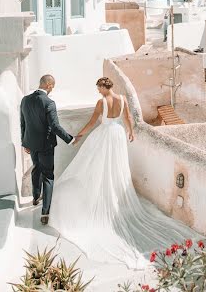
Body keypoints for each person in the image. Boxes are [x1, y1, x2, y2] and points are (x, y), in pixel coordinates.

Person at [49, 76, 194, 268]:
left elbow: (93, 122)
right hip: (118, 136)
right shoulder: (123, 99)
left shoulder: (102, 102)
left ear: (103, 86)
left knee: (98, 167)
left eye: (98, 87)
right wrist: (131, 132)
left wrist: (78, 136)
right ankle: (113, 195)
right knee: (115, 168)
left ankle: (101, 195)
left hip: (105, 135)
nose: (98, 91)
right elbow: (127, 118)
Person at [20, 75, 78, 225]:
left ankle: (35, 197)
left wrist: (24, 142)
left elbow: (23, 123)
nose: (53, 88)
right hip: (46, 145)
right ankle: (45, 212)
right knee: (48, 176)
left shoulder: (25, 100)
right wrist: (70, 139)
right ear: (48, 85)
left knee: (36, 168)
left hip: (31, 144)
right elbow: (55, 126)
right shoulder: (49, 103)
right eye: (52, 85)